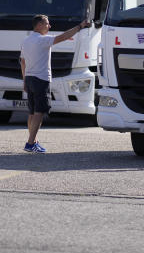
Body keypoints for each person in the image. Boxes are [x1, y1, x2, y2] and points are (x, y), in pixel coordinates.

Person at [19, 14, 91, 152]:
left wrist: (24, 81)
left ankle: (33, 141)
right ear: (39, 25)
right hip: (41, 79)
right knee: (39, 112)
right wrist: (80, 26)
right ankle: (29, 144)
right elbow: (62, 37)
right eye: (47, 23)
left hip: (29, 78)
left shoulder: (26, 40)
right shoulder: (43, 40)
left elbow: (22, 62)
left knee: (32, 112)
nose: (49, 26)